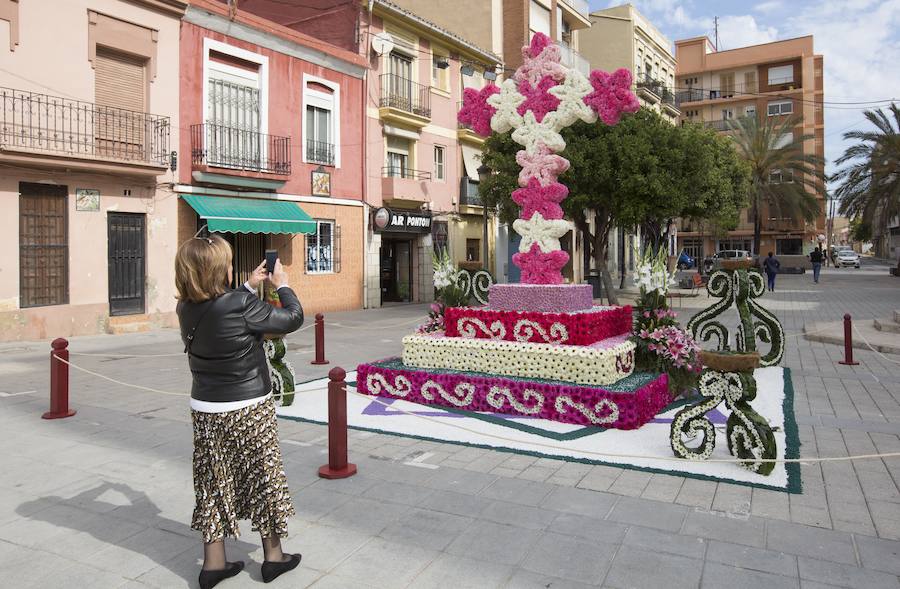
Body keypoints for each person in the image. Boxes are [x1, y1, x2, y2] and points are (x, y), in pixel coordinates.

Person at [175, 235, 304, 589]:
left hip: (205, 407)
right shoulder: (239, 305)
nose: (232, 267)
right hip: (247, 406)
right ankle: (274, 558)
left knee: (213, 481)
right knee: (264, 476)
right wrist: (285, 286)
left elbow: (221, 310)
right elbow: (291, 318)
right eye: (227, 262)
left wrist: (249, 284)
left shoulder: (185, 307)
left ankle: (213, 564)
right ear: (218, 269)